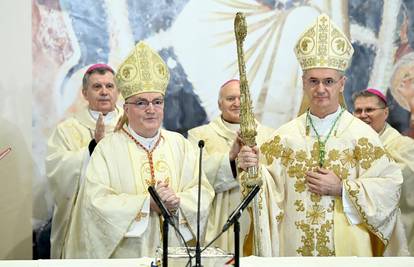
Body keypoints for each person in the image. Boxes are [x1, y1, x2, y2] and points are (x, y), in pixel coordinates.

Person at [237, 13, 408, 256]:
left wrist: (343, 189)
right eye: (313, 81)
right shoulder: (284, 137)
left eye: (328, 81)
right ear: (303, 83)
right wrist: (251, 169)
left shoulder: (362, 136)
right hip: (294, 250)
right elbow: (263, 195)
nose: (320, 89)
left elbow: (390, 188)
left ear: (342, 84)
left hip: (348, 251)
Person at [63, 41, 214, 258]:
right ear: (126, 108)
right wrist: (146, 204)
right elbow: (95, 203)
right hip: (128, 256)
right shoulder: (107, 149)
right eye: (142, 103)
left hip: (175, 254)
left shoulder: (180, 144)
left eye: (157, 102)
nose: (151, 109)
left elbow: (203, 193)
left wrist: (178, 202)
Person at [187, 79, 275, 255]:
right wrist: (231, 160)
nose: (237, 103)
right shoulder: (199, 136)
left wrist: (258, 169)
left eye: (242, 99)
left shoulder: (270, 135)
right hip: (218, 222)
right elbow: (193, 178)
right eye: (230, 99)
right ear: (220, 104)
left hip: (257, 220)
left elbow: (277, 181)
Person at [46, 63, 122, 258]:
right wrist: (92, 147)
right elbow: (58, 173)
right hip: (83, 224)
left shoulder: (131, 126)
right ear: (84, 93)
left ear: (118, 91)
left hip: (124, 220)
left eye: (109, 86)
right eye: (97, 87)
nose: (104, 92)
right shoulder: (68, 129)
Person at [353, 88, 414, 255]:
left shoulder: (404, 146)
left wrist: (349, 184)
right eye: (358, 110)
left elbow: (398, 183)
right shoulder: (347, 145)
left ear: (385, 112)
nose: (363, 115)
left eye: (370, 109)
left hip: (392, 232)